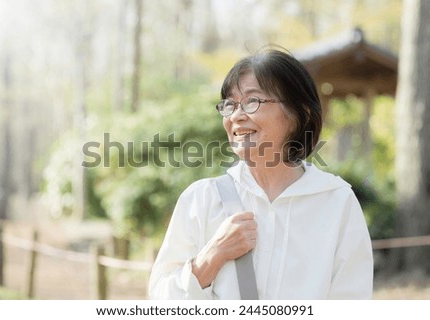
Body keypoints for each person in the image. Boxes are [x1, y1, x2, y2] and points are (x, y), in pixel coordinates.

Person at [148, 48, 373, 299]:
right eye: (229, 105)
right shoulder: (201, 200)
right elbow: (160, 300)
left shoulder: (336, 202)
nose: (236, 116)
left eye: (252, 101)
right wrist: (212, 256)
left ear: (300, 114)